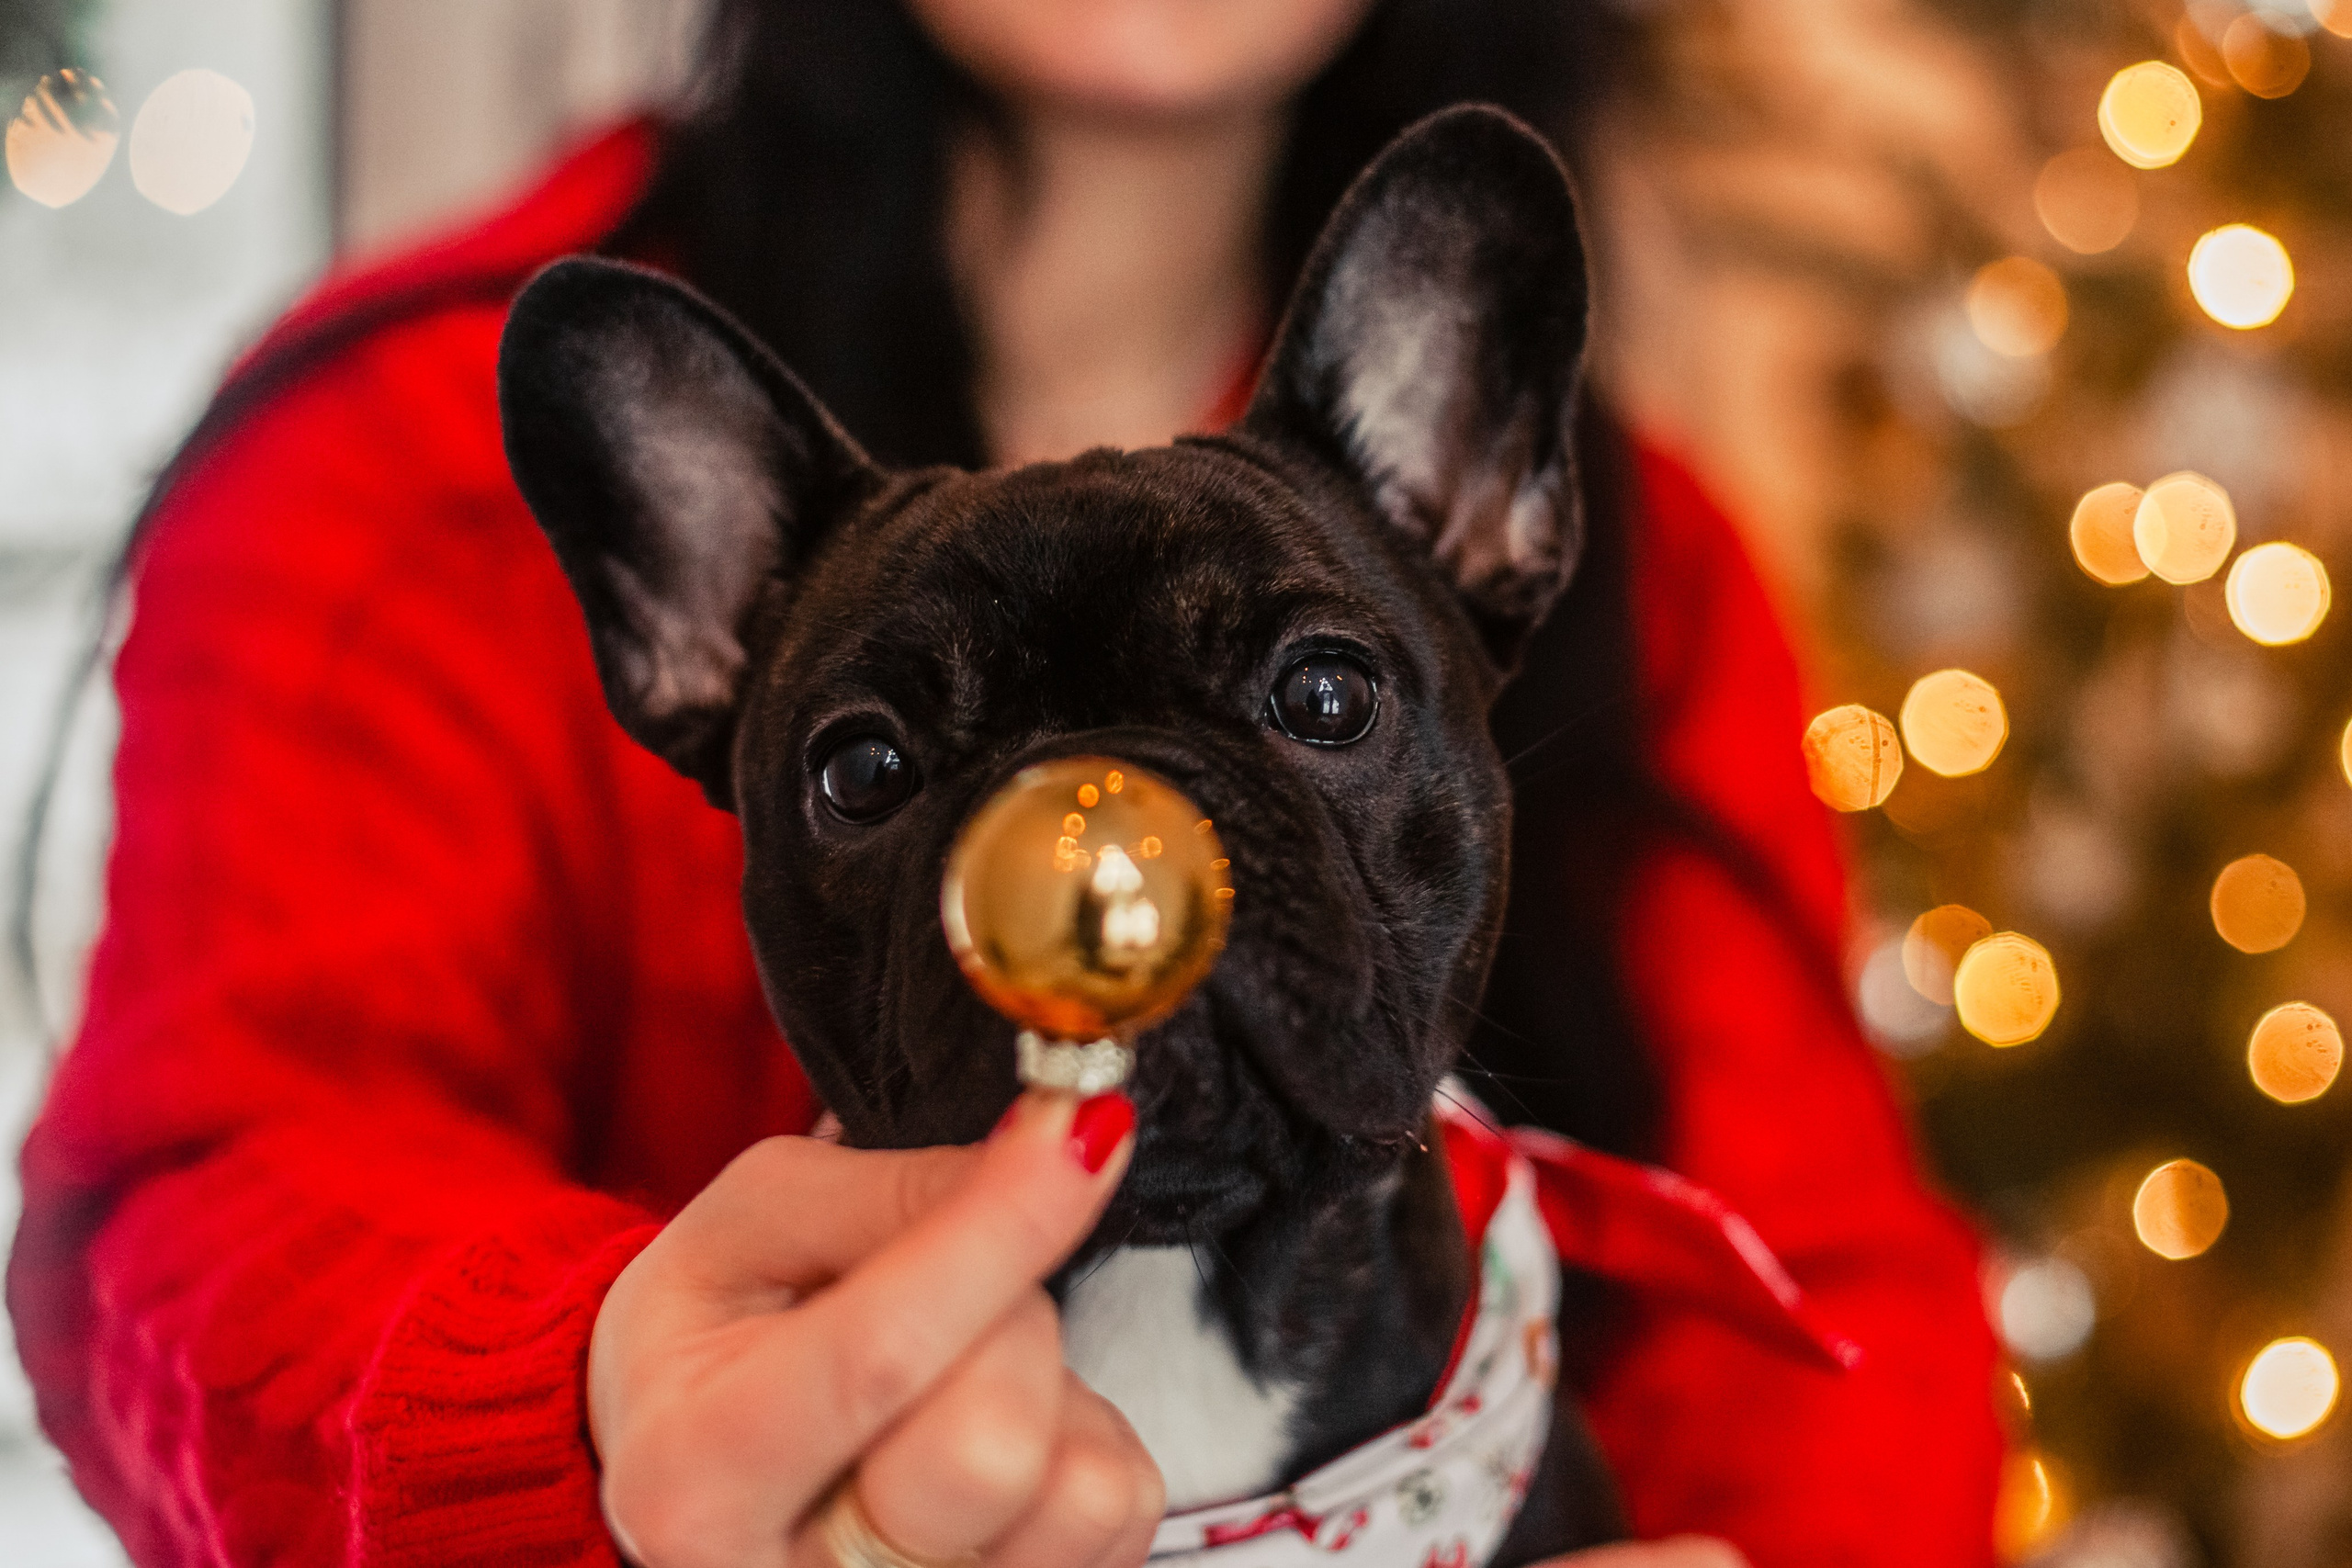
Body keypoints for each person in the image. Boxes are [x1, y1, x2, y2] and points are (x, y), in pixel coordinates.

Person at [6, 2, 2003, 1565]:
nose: (1119, 852)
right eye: (874, 761)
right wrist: (586, 1389)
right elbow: (195, 1204)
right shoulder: (393, 469)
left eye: (1314, 698)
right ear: (696, 653)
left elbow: (1830, 1287)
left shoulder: (1649, 567)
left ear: (1479, 521)